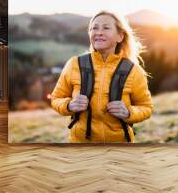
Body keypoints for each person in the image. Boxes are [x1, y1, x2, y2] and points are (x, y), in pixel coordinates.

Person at [51, 10, 153, 143]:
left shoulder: (133, 70)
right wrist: (69, 105)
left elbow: (146, 107)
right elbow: (56, 98)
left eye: (106, 27)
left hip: (120, 147)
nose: (99, 32)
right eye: (94, 28)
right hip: (80, 146)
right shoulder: (75, 64)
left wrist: (128, 112)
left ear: (120, 36)